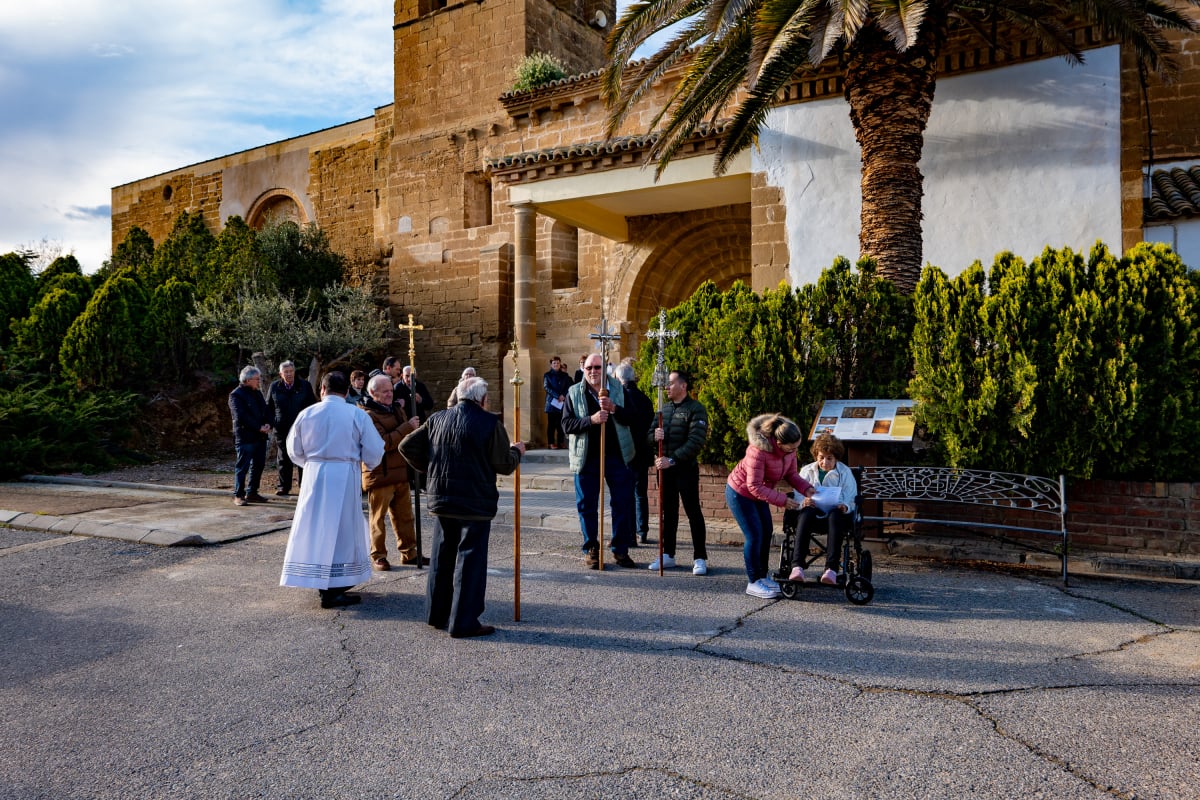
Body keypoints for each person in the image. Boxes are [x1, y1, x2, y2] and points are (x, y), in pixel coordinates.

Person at [399, 376, 524, 638]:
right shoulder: (490, 423)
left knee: (442, 558)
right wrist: (517, 452)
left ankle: (437, 613)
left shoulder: (437, 418)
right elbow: (504, 464)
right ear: (482, 399)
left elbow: (407, 445)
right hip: (474, 503)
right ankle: (464, 621)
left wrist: (429, 469)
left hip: (443, 499)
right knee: (470, 561)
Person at [279, 371, 385, 609]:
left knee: (316, 526)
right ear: (347, 392)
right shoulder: (356, 414)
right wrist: (364, 461)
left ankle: (322, 581)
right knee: (342, 530)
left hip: (314, 476)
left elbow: (293, 449)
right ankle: (334, 589)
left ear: (322, 390)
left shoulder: (307, 413)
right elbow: (374, 452)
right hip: (344, 474)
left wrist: (312, 464)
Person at [726, 413, 815, 599]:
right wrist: (783, 500)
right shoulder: (757, 451)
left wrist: (807, 488)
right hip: (740, 493)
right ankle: (753, 582)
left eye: (796, 448)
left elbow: (792, 475)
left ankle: (762, 576)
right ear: (778, 443)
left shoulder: (790, 451)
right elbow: (753, 485)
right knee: (754, 535)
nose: (794, 451)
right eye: (791, 448)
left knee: (767, 532)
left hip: (760, 493)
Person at [561, 353, 638, 570]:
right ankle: (591, 548)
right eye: (589, 368)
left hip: (616, 455)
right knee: (587, 505)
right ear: (583, 369)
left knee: (622, 503)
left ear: (605, 369)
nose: (593, 372)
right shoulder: (574, 392)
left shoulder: (618, 389)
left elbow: (633, 416)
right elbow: (566, 425)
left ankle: (620, 549)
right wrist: (591, 420)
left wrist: (614, 409)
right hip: (587, 457)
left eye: (597, 368)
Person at [649, 370, 710, 573]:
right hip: (664, 471)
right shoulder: (663, 409)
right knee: (669, 513)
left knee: (693, 511)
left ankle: (700, 557)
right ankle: (667, 554)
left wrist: (672, 460)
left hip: (685, 469)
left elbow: (696, 441)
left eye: (671, 382)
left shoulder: (696, 409)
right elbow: (648, 437)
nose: (666, 386)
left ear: (683, 386)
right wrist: (654, 436)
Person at [361, 374, 424, 571]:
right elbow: (382, 443)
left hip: (401, 472)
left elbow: (407, 438)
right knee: (378, 518)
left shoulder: (396, 408)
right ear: (373, 393)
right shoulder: (367, 415)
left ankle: (409, 552)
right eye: (385, 391)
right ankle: (378, 555)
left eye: (391, 390)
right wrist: (407, 427)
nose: (390, 394)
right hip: (380, 474)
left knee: (405, 516)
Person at [789, 432, 858, 585]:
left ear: (836, 458)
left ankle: (831, 570)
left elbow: (851, 497)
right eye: (821, 457)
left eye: (829, 458)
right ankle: (797, 567)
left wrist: (845, 506)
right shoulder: (807, 470)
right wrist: (803, 501)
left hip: (836, 517)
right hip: (813, 515)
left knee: (835, 514)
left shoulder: (845, 472)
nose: (824, 462)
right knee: (806, 512)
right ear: (816, 456)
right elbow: (797, 494)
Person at [615, 360, 654, 543]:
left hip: (628, 452)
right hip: (643, 451)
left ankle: (630, 533)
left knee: (627, 494)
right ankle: (642, 530)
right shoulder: (644, 398)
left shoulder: (622, 398)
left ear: (620, 379)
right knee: (641, 493)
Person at [266, 360, 317, 496]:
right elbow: (269, 407)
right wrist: (270, 423)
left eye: (291, 371)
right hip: (281, 428)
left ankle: (304, 485)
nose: (289, 374)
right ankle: (284, 486)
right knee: (283, 458)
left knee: (302, 456)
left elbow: (313, 406)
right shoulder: (274, 387)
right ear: (280, 374)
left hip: (302, 428)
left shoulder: (305, 386)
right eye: (286, 372)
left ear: (294, 372)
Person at [228, 366, 272, 507]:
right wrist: (258, 427)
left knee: (258, 466)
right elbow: (241, 416)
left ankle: (252, 492)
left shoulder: (257, 393)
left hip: (260, 437)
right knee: (243, 467)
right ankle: (238, 494)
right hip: (245, 437)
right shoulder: (236, 395)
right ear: (247, 380)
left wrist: (268, 424)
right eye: (257, 379)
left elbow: (265, 410)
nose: (259, 382)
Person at [543, 356, 571, 450]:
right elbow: (547, 387)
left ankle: (561, 442)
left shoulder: (565, 375)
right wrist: (557, 396)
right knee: (551, 424)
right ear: (551, 364)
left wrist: (563, 395)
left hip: (562, 403)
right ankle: (551, 443)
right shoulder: (547, 375)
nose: (556, 364)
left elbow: (568, 387)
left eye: (558, 363)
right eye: (554, 363)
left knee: (561, 424)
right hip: (552, 403)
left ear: (560, 364)